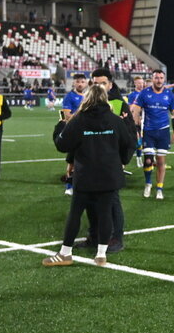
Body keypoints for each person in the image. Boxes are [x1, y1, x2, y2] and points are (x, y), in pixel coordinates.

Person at [42, 83, 133, 268]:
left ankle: (65, 253)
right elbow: (129, 143)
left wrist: (59, 126)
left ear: (87, 98)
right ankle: (101, 255)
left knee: (75, 213)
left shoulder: (79, 119)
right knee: (106, 213)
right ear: (104, 98)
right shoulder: (115, 120)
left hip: (86, 176)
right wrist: (121, 160)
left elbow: (62, 145)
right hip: (109, 175)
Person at [75, 68, 134, 254]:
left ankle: (116, 238)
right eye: (95, 83)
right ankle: (94, 236)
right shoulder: (87, 104)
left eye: (102, 83)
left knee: (112, 201)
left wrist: (123, 161)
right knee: (91, 202)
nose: (98, 86)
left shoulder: (119, 104)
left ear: (110, 84)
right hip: (89, 164)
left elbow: (130, 136)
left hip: (109, 165)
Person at [130, 67, 174, 200]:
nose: (159, 80)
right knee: (148, 160)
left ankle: (159, 188)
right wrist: (137, 130)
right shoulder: (144, 93)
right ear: (152, 79)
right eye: (156, 78)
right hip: (149, 131)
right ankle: (148, 183)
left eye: (161, 78)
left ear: (164, 79)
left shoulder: (169, 94)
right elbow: (136, 112)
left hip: (163, 132)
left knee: (161, 161)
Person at [61, 73, 88, 195]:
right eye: (78, 82)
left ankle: (82, 183)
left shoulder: (88, 96)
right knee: (72, 161)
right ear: (74, 83)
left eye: (82, 81)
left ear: (86, 83)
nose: (80, 84)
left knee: (85, 159)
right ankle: (69, 185)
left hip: (86, 133)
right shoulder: (69, 96)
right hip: (73, 132)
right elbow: (67, 116)